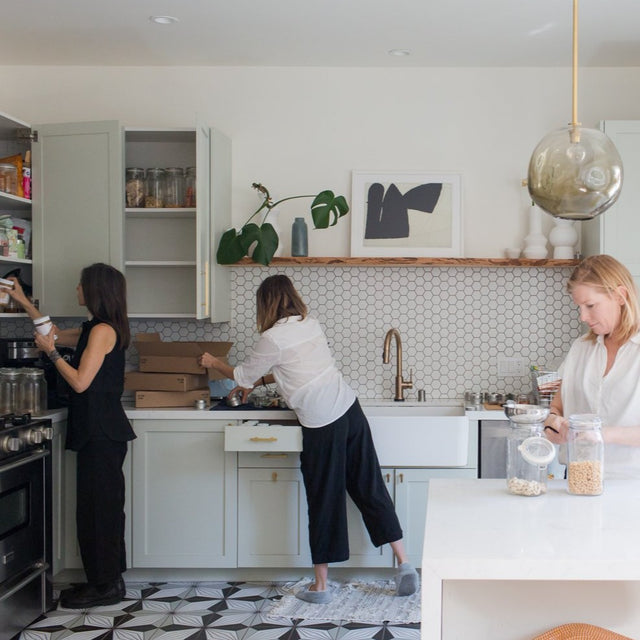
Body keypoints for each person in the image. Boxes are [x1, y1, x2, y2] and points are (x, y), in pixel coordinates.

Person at [199, 274, 419, 603]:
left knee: (323, 499)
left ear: (265, 304)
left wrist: (213, 362)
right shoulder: (309, 323)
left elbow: (243, 373)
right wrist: (259, 383)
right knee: (370, 485)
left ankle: (321, 586)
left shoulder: (272, 338)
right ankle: (405, 564)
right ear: (291, 297)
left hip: (322, 424)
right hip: (349, 409)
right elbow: (294, 367)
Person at [1, 264, 135, 608]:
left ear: (94, 291)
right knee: (98, 510)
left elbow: (79, 381)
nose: (76, 288)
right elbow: (54, 332)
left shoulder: (103, 331)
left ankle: (104, 586)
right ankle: (106, 581)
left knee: (98, 512)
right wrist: (25, 302)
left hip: (102, 433)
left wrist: (51, 353)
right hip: (98, 432)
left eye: (81, 284)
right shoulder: (96, 327)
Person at [543, 254, 640, 478]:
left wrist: (597, 434)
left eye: (590, 305)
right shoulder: (581, 348)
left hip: (631, 485)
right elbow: (555, 407)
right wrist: (552, 423)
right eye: (579, 307)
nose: (583, 316)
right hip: (578, 478)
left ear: (620, 296)